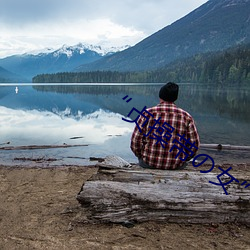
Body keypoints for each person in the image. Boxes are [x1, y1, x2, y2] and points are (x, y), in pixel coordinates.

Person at [130, 82, 200, 170]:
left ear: (160, 96)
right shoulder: (186, 116)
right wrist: (184, 159)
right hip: (176, 165)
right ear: (175, 98)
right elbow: (194, 145)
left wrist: (141, 156)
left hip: (149, 162)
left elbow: (135, 142)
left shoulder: (147, 114)